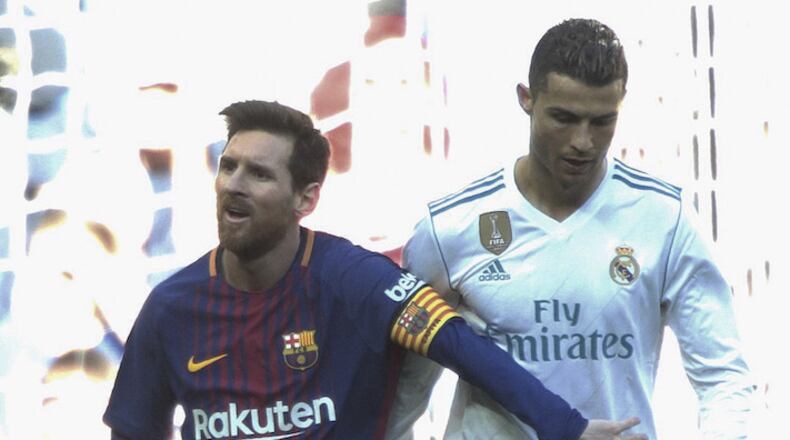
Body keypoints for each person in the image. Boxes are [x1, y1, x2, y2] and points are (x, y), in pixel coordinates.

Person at [102, 100, 646, 440]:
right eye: (228, 166)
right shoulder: (173, 307)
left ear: (305, 198)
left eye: (259, 174)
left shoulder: (353, 280)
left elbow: (460, 346)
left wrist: (566, 427)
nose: (235, 184)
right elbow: (133, 430)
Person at [385, 18, 754, 440]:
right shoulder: (452, 227)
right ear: (527, 99)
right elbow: (406, 384)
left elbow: (723, 377)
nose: (583, 141)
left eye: (601, 122)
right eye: (564, 117)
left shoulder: (662, 218)